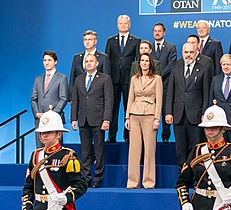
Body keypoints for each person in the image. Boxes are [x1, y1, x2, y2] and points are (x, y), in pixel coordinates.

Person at [70, 54, 113, 188]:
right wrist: (73, 119)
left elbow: (108, 100)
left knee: (99, 151)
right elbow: (75, 100)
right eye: (86, 61)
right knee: (85, 151)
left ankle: (98, 180)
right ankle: (86, 178)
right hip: (83, 119)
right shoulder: (79, 79)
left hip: (98, 120)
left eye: (91, 61)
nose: (88, 63)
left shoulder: (105, 79)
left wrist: (106, 119)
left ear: (97, 63)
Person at [166, 43, 210, 166]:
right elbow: (170, 92)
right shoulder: (176, 68)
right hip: (178, 115)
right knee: (180, 149)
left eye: (191, 52)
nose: (188, 55)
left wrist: (204, 113)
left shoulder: (203, 69)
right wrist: (168, 112)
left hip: (195, 116)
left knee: (196, 148)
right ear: (182, 53)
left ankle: (195, 177)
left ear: (196, 53)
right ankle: (183, 177)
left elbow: (206, 94)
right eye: (186, 52)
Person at [124, 53, 163, 189]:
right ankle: (132, 182)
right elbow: (130, 98)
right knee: (134, 150)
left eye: (147, 60)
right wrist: (127, 117)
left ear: (150, 63)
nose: (145, 63)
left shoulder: (157, 79)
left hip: (150, 114)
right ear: (139, 63)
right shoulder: (134, 79)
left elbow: (159, 100)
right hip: (135, 114)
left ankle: (148, 182)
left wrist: (157, 118)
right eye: (142, 60)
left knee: (149, 150)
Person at [105, 14, 141, 143]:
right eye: (121, 23)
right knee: (112, 108)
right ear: (117, 25)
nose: (123, 25)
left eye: (125, 23)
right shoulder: (111, 40)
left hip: (129, 79)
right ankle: (112, 135)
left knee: (129, 108)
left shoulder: (136, 40)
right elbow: (106, 61)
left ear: (129, 25)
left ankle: (128, 135)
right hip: (113, 80)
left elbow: (138, 61)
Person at [31, 51, 68, 147]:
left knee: (56, 152)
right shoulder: (38, 79)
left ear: (55, 62)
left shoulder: (62, 78)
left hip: (55, 120)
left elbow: (63, 99)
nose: (47, 62)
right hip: (40, 121)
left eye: (49, 60)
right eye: (45, 60)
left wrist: (51, 114)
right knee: (40, 151)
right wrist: (37, 113)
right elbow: (33, 99)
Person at [151, 23, 177, 143]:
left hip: (166, 84)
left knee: (165, 110)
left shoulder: (171, 47)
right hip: (150, 86)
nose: (157, 33)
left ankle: (165, 137)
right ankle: (151, 137)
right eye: (155, 31)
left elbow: (171, 65)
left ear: (164, 32)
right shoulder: (149, 48)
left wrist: (158, 76)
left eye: (159, 31)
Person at [69, 30, 110, 100]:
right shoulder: (77, 58)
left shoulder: (103, 58)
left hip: (97, 99)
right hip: (80, 98)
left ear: (95, 41)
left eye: (90, 39)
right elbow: (72, 79)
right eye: (85, 40)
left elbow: (107, 81)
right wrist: (71, 98)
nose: (87, 42)